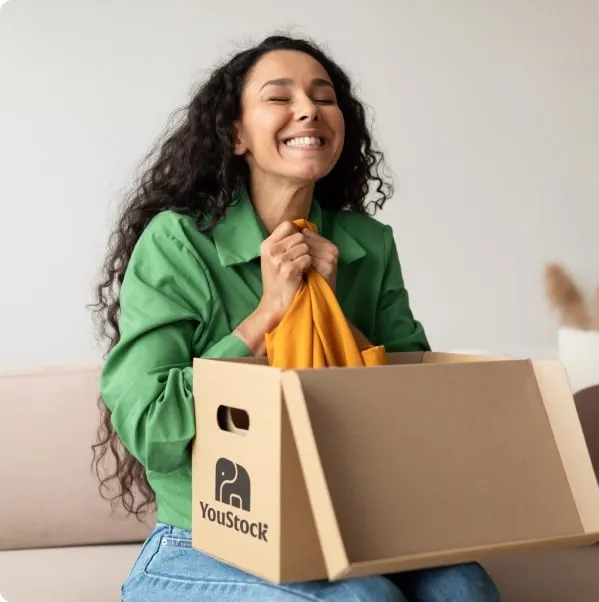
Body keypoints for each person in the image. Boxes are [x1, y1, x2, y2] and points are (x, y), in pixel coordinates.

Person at [92, 34, 502, 601]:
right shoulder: (178, 242)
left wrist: (329, 309)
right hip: (206, 538)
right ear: (235, 134)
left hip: (350, 527)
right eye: (279, 97)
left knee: (465, 589)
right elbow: (149, 428)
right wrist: (268, 315)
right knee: (366, 600)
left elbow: (415, 409)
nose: (308, 109)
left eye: (324, 96)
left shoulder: (368, 243)